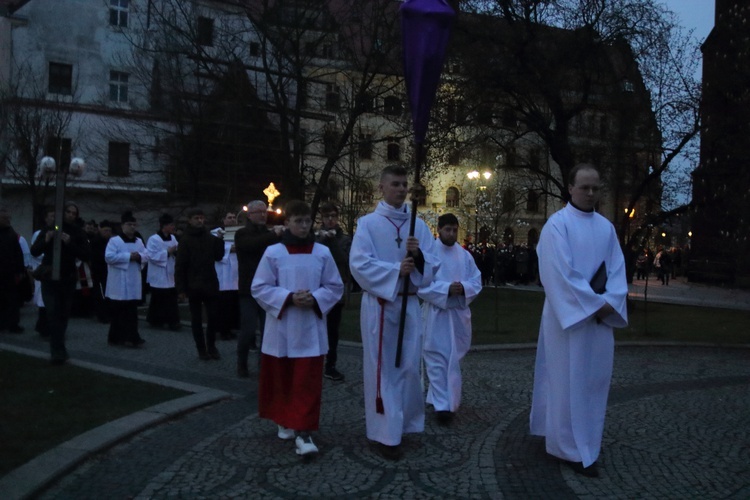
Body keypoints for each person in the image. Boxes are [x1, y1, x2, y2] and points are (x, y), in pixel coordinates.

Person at [529, 163, 628, 478]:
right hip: (566, 320)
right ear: (569, 188)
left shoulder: (606, 228)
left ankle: (586, 439)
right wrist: (595, 304)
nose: (590, 193)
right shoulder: (556, 226)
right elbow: (558, 273)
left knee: (594, 382)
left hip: (598, 320)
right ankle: (568, 447)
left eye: (595, 188)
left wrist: (610, 302)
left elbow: (617, 271)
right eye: (584, 187)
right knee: (565, 380)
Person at [349, 165, 438, 461]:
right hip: (381, 305)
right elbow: (359, 264)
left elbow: (432, 265)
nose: (401, 189)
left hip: (410, 304)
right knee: (384, 368)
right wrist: (394, 271)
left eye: (404, 185)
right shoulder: (368, 224)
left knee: (410, 367)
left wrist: (419, 257)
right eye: (396, 184)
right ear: (381, 188)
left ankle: (406, 423)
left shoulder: (419, 225)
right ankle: (385, 434)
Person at [252, 200, 343, 456]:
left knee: (307, 381)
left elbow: (335, 286)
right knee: (282, 378)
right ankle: (284, 418)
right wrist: (289, 298)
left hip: (310, 328)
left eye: (307, 221)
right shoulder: (273, 252)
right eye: (298, 221)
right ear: (287, 223)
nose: (304, 226)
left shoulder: (322, 253)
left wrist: (315, 298)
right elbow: (259, 286)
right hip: (282, 326)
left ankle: (304, 432)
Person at [418, 213, 482, 425]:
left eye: (455, 230)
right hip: (437, 314)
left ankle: (442, 398)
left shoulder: (464, 256)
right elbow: (420, 285)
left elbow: (476, 280)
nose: (452, 234)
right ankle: (443, 407)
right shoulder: (429, 254)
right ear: (439, 229)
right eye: (448, 230)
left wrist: (463, 288)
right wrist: (446, 289)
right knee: (436, 359)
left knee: (452, 360)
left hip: (457, 315)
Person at [30, 201, 91, 364]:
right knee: (53, 313)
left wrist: (69, 242)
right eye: (68, 212)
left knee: (63, 314)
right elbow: (34, 250)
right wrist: (47, 240)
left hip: (67, 278)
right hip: (50, 278)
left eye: (74, 213)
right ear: (62, 213)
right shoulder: (50, 229)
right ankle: (57, 351)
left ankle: (59, 348)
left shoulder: (78, 232)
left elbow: (85, 254)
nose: (71, 215)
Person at [234, 200, 284, 377]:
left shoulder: (271, 234)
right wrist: (274, 235)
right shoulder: (242, 233)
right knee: (247, 330)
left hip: (268, 289)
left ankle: (264, 365)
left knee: (267, 331)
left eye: (264, 212)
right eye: (258, 212)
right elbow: (251, 245)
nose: (263, 215)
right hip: (248, 289)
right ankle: (242, 362)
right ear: (250, 215)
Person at [175, 208, 225, 360]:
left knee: (213, 317)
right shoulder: (185, 239)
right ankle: (201, 349)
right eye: (197, 218)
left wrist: (220, 241)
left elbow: (218, 256)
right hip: (193, 284)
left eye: (202, 218)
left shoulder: (209, 237)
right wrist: (181, 288)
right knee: (196, 319)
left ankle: (211, 346)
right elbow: (181, 265)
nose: (200, 221)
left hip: (210, 282)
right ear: (190, 220)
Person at [315, 202, 351, 381]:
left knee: (333, 330)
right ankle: (314, 362)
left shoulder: (344, 239)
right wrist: (323, 239)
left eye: (333, 217)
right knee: (315, 326)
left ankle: (331, 365)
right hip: (317, 287)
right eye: (327, 217)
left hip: (336, 289)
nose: (330, 220)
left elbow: (345, 260)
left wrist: (332, 241)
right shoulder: (315, 237)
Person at [105, 211, 148, 347]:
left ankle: (132, 337)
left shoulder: (139, 241)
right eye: (129, 224)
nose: (132, 227)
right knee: (118, 312)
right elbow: (109, 257)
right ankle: (116, 337)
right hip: (119, 281)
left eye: (134, 224)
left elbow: (146, 255)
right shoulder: (114, 241)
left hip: (133, 279)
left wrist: (139, 257)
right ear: (123, 226)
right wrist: (128, 257)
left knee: (131, 311)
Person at [146, 213, 180, 330]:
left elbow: (177, 249)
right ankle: (155, 320)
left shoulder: (173, 238)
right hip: (159, 273)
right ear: (163, 226)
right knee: (159, 299)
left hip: (170, 272)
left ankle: (173, 321)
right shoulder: (153, 239)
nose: (173, 227)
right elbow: (151, 255)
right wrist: (167, 252)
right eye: (171, 225)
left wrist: (175, 252)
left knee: (171, 299)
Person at [211, 211, 240, 340]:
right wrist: (230, 249)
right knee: (222, 303)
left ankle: (231, 327)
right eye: (229, 217)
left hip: (235, 272)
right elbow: (214, 249)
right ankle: (221, 329)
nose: (232, 220)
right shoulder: (215, 233)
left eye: (234, 217)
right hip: (222, 271)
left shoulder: (239, 232)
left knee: (233, 302)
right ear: (223, 220)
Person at [0, 205, 26, 334]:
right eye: (4, 218)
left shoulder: (11, 233)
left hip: (9, 273)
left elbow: (18, 253)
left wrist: (20, 270)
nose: (7, 220)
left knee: (12, 300)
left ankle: (12, 324)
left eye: (7, 218)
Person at [90, 220, 113, 323]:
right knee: (101, 294)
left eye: (109, 231)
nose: (107, 233)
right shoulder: (95, 241)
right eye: (105, 230)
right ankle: (102, 315)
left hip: (108, 271)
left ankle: (107, 313)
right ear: (100, 230)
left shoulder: (111, 241)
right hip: (99, 271)